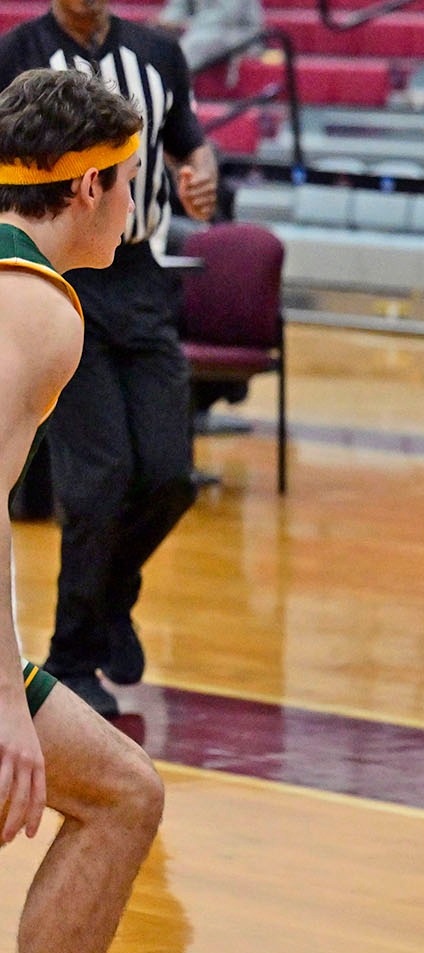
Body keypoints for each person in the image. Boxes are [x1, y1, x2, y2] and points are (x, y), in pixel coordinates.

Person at [0, 66, 167, 953]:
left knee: (119, 792)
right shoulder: (39, 311)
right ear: (92, 186)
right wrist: (5, 701)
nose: (135, 205)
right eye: (131, 180)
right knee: (120, 797)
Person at [0, 0, 221, 718]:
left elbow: (189, 142)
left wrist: (200, 175)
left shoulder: (159, 53)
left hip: (140, 275)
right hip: (67, 266)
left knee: (168, 474)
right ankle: (71, 653)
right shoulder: (17, 51)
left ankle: (107, 601)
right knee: (98, 479)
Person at [154, 0, 262, 70]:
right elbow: (178, 7)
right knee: (158, 37)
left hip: (240, 34)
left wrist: (186, 24)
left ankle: (174, 86)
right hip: (198, 29)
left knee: (196, 42)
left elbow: (227, 16)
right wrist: (166, 21)